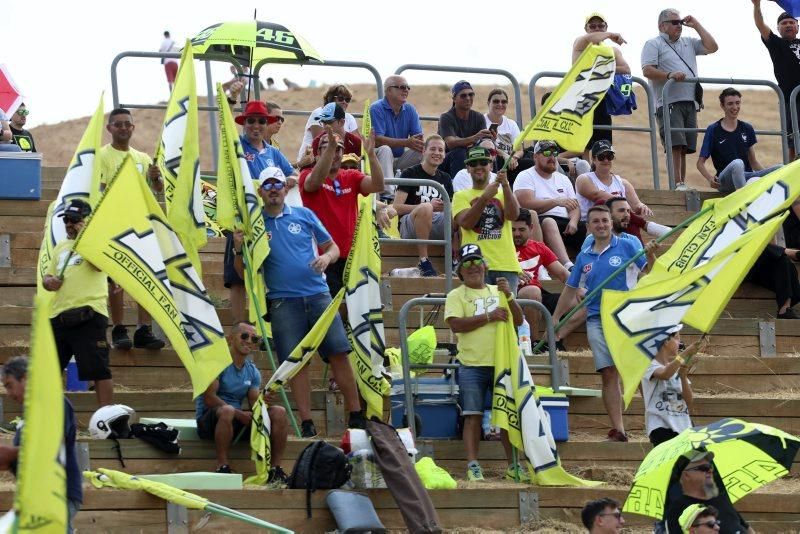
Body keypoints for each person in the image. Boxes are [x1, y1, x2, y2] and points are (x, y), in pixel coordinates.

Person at [233, 167, 366, 437]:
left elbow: (333, 247)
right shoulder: (253, 223)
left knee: (339, 353)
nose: (273, 189)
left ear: (286, 189)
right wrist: (237, 248)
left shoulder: (304, 215)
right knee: (296, 363)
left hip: (318, 294)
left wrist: (327, 259)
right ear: (260, 192)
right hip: (283, 301)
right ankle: (306, 422)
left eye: (278, 184)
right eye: (268, 184)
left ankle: (356, 414)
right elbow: (242, 272)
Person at [552, 205, 657, 442]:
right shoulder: (584, 255)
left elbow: (648, 274)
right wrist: (556, 318)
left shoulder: (628, 245)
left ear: (611, 223)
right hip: (596, 318)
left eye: (605, 221)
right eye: (596, 221)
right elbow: (570, 289)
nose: (601, 225)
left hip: (625, 316)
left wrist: (650, 254)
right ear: (588, 226)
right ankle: (619, 429)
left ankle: (655, 423)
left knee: (637, 370)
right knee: (608, 373)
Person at [444, 244, 525, 482]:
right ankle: (473, 465)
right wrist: (489, 317)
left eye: (477, 262)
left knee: (507, 417)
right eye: (467, 263)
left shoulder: (498, 289)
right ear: (460, 271)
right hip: (472, 363)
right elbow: (455, 324)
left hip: (502, 363)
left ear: (485, 266)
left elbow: (518, 320)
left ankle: (514, 466)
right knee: (473, 415)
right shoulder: (456, 295)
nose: (473, 267)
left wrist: (509, 295)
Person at [222, 100, 299, 323]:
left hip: (268, 220)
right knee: (236, 276)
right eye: (251, 121)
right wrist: (229, 99)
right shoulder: (235, 146)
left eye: (261, 121)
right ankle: (239, 327)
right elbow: (223, 134)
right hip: (241, 218)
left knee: (268, 272)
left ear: (267, 124)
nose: (256, 125)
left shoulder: (273, 152)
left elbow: (293, 173)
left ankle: (268, 325)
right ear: (244, 123)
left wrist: (291, 179)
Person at [98, 108, 166, 351]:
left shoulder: (143, 158)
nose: (124, 128)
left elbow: (157, 189)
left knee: (145, 276)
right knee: (117, 279)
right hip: (115, 224)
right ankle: (118, 328)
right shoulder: (102, 156)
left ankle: (143, 329)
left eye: (128, 124)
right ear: (109, 128)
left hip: (142, 225)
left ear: (133, 127)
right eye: (118, 124)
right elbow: (101, 189)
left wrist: (156, 178)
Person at [195, 321, 289, 483]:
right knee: (228, 410)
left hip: (234, 419)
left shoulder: (252, 371)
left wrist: (263, 401)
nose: (249, 341)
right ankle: (222, 465)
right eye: (244, 336)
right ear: (230, 339)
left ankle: (275, 469)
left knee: (279, 412)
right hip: (210, 419)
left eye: (254, 339)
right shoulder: (216, 363)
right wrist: (239, 414)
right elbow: (209, 399)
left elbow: (254, 404)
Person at [42, 199, 114, 407]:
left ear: (87, 220)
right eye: (66, 219)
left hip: (89, 314)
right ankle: (48, 417)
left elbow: (100, 265)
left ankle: (106, 418)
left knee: (99, 370)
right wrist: (50, 282)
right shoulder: (61, 247)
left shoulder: (97, 241)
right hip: (59, 316)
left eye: (74, 220)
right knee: (48, 372)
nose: (68, 224)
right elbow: (47, 277)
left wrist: (85, 237)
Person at [0, 356, 83, 533]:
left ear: (26, 378)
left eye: (9, 385)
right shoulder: (31, 411)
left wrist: (11, 454)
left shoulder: (54, 402)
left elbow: (52, 446)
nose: (8, 394)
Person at [300, 127, 384, 299]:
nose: (335, 152)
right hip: (320, 258)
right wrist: (330, 150)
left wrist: (372, 156)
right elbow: (312, 184)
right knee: (330, 312)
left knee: (349, 313)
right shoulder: (307, 175)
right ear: (317, 155)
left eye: (338, 148)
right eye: (327, 146)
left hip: (350, 259)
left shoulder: (351, 176)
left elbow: (378, 185)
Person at [642, 9, 718, 190]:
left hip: (690, 101)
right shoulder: (653, 44)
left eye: (681, 22)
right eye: (675, 22)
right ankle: (677, 183)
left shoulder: (689, 43)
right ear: (662, 26)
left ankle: (681, 183)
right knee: (675, 144)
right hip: (668, 101)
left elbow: (713, 47)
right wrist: (669, 74)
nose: (680, 25)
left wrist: (697, 25)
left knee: (684, 146)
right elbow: (647, 71)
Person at [453, 146, 521, 291]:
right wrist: (485, 197)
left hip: (506, 265)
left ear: (491, 165)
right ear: (467, 168)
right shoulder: (460, 196)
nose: (479, 167)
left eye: (483, 162)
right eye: (473, 163)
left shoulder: (504, 193)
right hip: (474, 266)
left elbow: (513, 215)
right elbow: (466, 223)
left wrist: (506, 185)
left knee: (505, 313)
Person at [514, 140, 584, 271]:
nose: (552, 157)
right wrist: (555, 201)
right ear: (535, 156)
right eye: (546, 153)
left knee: (593, 224)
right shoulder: (525, 176)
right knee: (549, 222)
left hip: (565, 223)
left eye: (554, 153)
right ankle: (568, 266)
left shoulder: (563, 178)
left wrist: (574, 221)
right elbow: (525, 204)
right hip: (539, 221)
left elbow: (574, 206)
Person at [697, 88, 782, 194]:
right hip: (724, 181)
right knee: (738, 164)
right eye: (730, 104)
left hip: (746, 177)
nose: (735, 107)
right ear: (722, 106)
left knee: (780, 168)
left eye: (737, 103)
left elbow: (753, 162)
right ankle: (744, 203)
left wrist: (767, 177)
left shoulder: (747, 128)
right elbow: (700, 163)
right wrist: (710, 178)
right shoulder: (713, 129)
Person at [573, 13, 631, 159]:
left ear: (606, 27)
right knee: (583, 145)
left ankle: (600, 177)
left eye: (601, 26)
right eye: (592, 26)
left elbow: (626, 69)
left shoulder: (612, 51)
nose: (597, 29)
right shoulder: (580, 43)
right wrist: (610, 35)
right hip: (581, 99)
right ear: (586, 29)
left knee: (603, 146)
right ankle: (584, 173)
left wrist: (598, 70)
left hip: (602, 100)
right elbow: (588, 39)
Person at [393, 135, 454, 276]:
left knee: (460, 214)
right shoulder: (410, 173)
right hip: (410, 225)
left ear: (444, 155)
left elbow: (451, 207)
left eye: (440, 150)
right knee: (426, 208)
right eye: (432, 149)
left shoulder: (445, 178)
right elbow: (396, 207)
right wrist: (428, 206)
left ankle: (456, 259)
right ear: (424, 151)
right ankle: (423, 260)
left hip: (437, 223)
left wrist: (445, 207)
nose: (437, 153)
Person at [512, 208, 571, 346]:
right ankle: (533, 342)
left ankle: (552, 339)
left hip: (537, 295)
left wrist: (581, 290)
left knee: (582, 301)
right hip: (509, 294)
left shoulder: (539, 248)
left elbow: (563, 274)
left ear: (531, 228)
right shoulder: (500, 248)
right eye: (513, 229)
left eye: (521, 229)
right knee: (532, 291)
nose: (516, 234)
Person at [642, 325, 708, 446]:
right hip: (660, 427)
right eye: (677, 338)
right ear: (666, 340)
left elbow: (688, 401)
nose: (680, 343)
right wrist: (686, 353)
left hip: (684, 426)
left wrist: (683, 377)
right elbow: (665, 374)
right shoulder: (649, 365)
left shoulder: (676, 366)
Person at [753, 1, 800, 160]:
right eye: (784, 23)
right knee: (792, 140)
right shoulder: (776, 44)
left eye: (791, 22)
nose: (788, 25)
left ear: (797, 27)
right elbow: (760, 25)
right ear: (778, 28)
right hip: (790, 100)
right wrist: (757, 6)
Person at [663, 450, 753, 534]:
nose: (710, 471)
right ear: (686, 475)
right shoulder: (677, 509)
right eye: (704, 468)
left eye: (710, 467)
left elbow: (746, 528)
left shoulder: (721, 499)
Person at [576, 140, 654, 221]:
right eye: (601, 157)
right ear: (593, 159)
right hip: (591, 226)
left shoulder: (623, 183)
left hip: (618, 227)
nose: (606, 160)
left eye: (609, 156)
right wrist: (625, 206)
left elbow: (636, 205)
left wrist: (642, 207)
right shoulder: (584, 179)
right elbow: (597, 196)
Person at [371, 75, 424, 187]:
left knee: (423, 150)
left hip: (399, 159)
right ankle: (388, 195)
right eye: (402, 87)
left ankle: (417, 192)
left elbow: (418, 139)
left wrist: (418, 143)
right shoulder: (376, 108)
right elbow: (378, 141)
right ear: (389, 90)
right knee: (385, 150)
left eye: (407, 87)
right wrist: (406, 142)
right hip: (379, 160)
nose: (406, 90)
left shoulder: (410, 109)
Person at [438, 80, 494, 177]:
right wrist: (475, 137)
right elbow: (451, 143)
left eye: (471, 95)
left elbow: (483, 141)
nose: (468, 98)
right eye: (463, 95)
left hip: (472, 159)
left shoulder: (479, 117)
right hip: (446, 161)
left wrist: (490, 140)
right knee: (459, 152)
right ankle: (458, 188)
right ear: (454, 99)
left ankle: (494, 185)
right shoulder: (446, 117)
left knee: (489, 152)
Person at [298, 84, 359, 161]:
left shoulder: (349, 117)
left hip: (340, 160)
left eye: (347, 99)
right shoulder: (319, 113)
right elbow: (323, 143)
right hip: (312, 161)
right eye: (340, 98)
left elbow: (356, 142)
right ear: (331, 99)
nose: (344, 102)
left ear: (341, 122)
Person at [746, 244, 800, 319]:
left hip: (751, 266)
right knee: (755, 244)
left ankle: (785, 309)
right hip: (732, 270)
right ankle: (789, 252)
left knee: (784, 260)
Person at [605, 197, 671, 245]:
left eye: (628, 211)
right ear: (608, 213)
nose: (627, 215)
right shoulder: (596, 240)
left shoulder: (634, 241)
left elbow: (644, 264)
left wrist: (650, 254)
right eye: (621, 211)